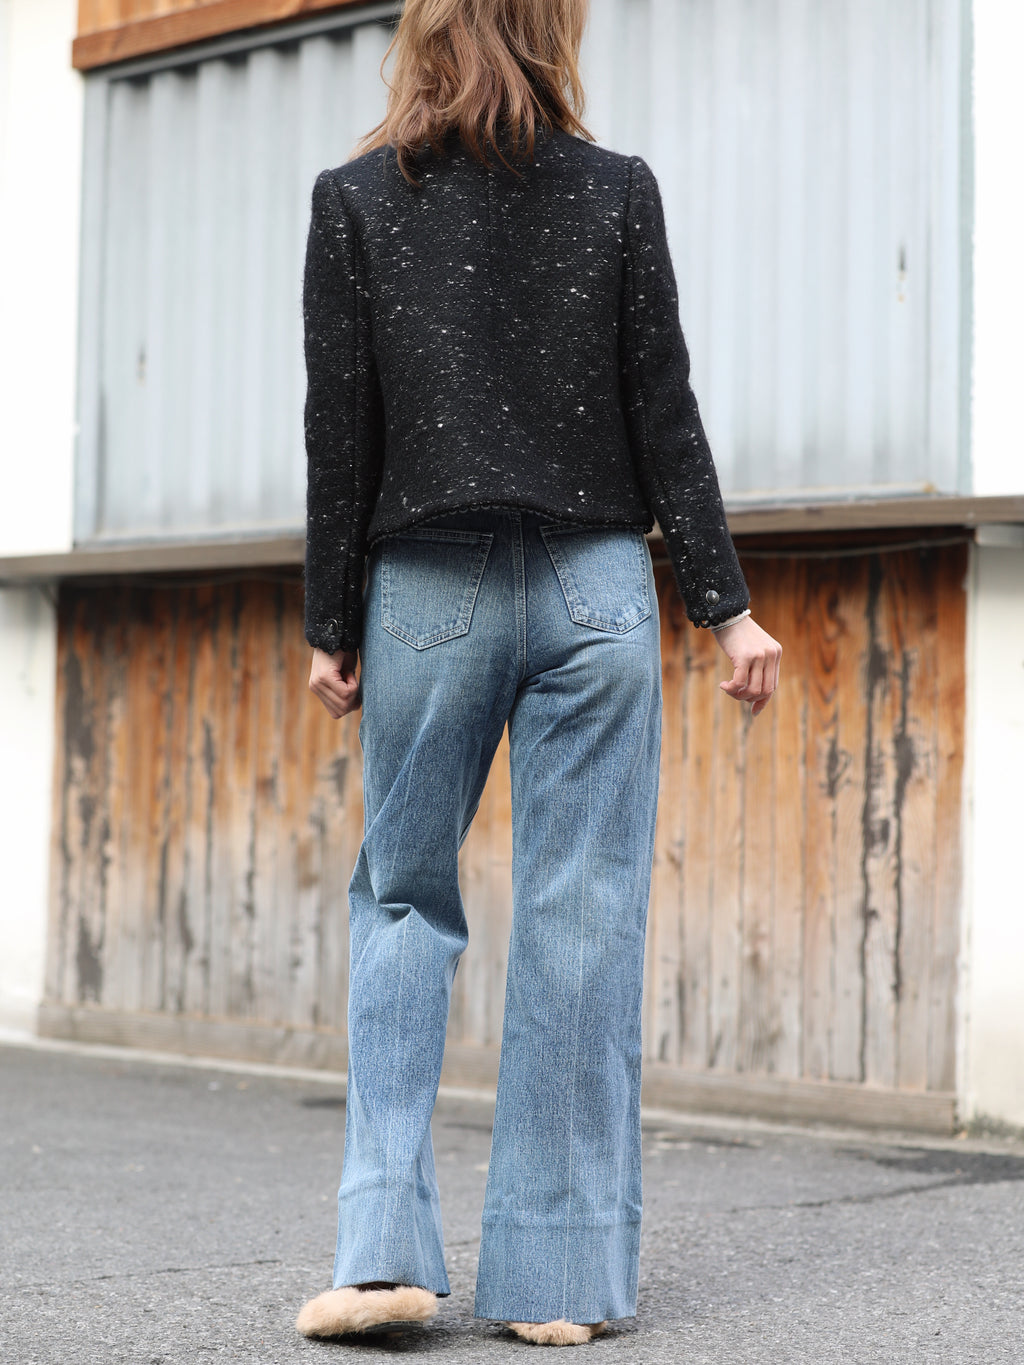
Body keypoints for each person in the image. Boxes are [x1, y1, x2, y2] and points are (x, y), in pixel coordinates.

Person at [296, 0, 781, 1347]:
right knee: (584, 914)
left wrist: (331, 619)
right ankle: (558, 1281)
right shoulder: (618, 191)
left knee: (405, 901)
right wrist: (726, 609)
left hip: (427, 588)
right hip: (597, 588)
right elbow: (664, 406)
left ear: (427, 34)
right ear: (555, 29)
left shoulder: (355, 202)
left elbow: (341, 428)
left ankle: (382, 1257)